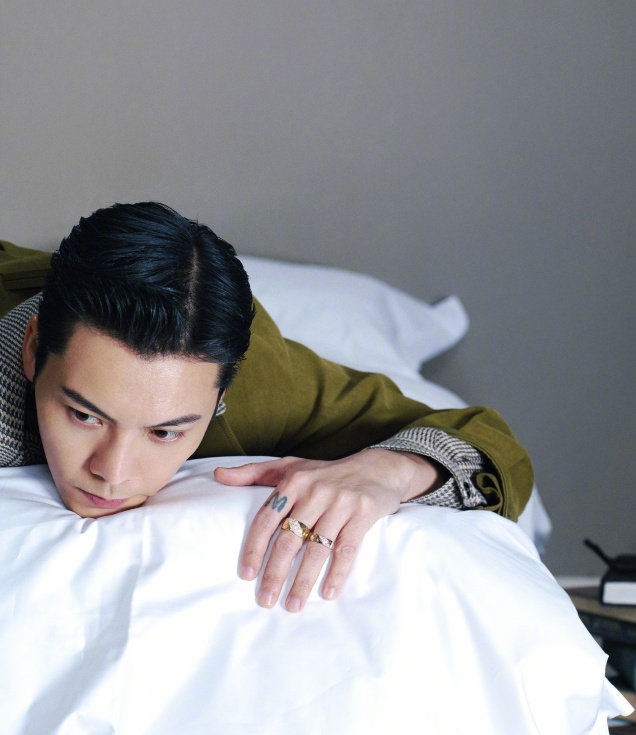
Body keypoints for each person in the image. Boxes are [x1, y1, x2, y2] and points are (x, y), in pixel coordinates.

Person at [0, 202, 533, 611]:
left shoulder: (259, 382)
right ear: (32, 348)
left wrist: (391, 471)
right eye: (84, 415)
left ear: (220, 399)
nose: (113, 473)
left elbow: (488, 445)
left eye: (164, 432)